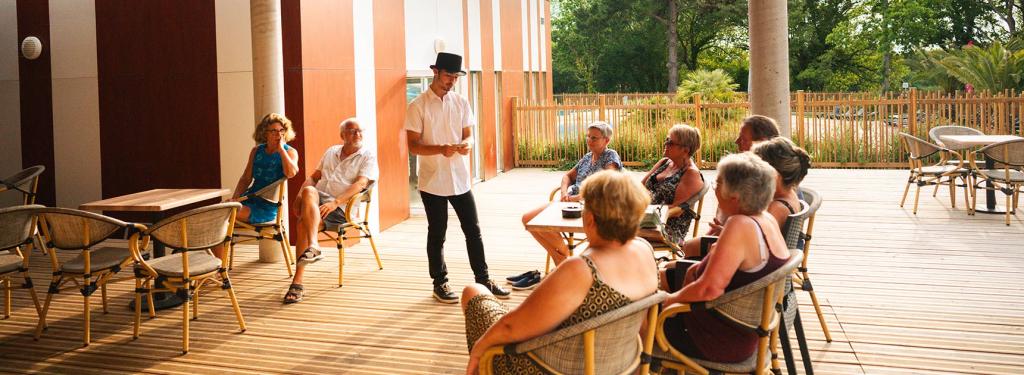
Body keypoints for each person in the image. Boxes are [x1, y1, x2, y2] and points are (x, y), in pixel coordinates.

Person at [462, 170, 659, 374]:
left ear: (590, 219)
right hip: (620, 364)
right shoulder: (645, 251)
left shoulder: (582, 269)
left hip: (550, 368)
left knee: (473, 292)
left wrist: (479, 348)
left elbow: (510, 328)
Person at [658, 153, 792, 363]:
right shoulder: (764, 219)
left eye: (718, 183)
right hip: (740, 334)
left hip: (715, 341)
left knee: (633, 317)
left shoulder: (740, 225)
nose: (714, 189)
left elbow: (709, 289)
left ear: (735, 196)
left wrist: (669, 301)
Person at [405, 52, 509, 303]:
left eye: (455, 76)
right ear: (436, 72)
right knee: (437, 233)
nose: (452, 80)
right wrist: (441, 149)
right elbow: (413, 146)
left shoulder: (461, 102)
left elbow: (469, 136)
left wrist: (466, 144)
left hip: (460, 179)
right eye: (448, 75)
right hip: (432, 180)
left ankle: (483, 280)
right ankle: (439, 283)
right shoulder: (417, 106)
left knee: (473, 230)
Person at [508, 121, 622, 290]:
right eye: (588, 136)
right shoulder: (586, 157)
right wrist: (564, 193)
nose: (589, 140)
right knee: (528, 219)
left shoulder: (610, 156)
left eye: (594, 138)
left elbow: (605, 184)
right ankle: (564, 260)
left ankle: (562, 266)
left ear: (606, 140)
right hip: (570, 204)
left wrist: (577, 197)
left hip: (594, 208)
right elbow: (567, 177)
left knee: (543, 223)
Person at [283, 118, 378, 304]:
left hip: (342, 207)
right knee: (310, 190)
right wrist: (299, 196)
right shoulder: (331, 152)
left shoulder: (367, 156)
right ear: (342, 135)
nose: (357, 134)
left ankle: (297, 282)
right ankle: (314, 246)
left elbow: (361, 184)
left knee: (303, 223)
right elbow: (314, 177)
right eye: (352, 131)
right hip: (318, 202)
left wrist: (335, 202)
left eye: (360, 131)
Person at [678, 114, 782, 257]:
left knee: (686, 252)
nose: (736, 141)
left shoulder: (766, 182)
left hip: (743, 248)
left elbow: (759, 236)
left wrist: (726, 233)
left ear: (761, 142)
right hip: (732, 238)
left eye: (743, 139)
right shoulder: (758, 175)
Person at [212, 113, 299, 261]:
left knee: (221, 215)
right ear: (265, 133)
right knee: (218, 213)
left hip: (267, 206)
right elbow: (246, 178)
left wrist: (281, 150)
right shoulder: (256, 151)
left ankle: (219, 269)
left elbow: (291, 173)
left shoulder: (290, 151)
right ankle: (215, 266)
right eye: (273, 131)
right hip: (249, 198)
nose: (278, 134)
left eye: (281, 130)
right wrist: (236, 197)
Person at [639, 124, 705, 247]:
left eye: (670, 142)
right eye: (666, 140)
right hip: (646, 218)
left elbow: (676, 210)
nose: (665, 144)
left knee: (616, 231)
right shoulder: (665, 162)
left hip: (667, 228)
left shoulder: (691, 174)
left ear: (685, 150)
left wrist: (642, 214)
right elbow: (641, 185)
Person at [751, 137, 811, 229]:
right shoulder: (790, 193)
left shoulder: (776, 208)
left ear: (774, 174)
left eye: (759, 169)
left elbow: (758, 240)